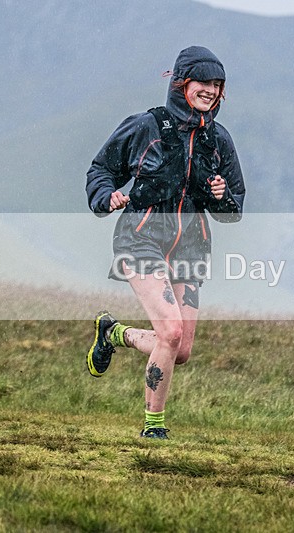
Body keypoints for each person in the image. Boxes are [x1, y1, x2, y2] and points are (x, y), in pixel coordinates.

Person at [85, 46, 245, 439]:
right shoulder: (147, 126)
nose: (210, 90)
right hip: (141, 237)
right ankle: (153, 428)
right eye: (202, 82)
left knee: (181, 348)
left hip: (191, 246)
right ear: (181, 83)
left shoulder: (219, 141)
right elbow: (101, 168)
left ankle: (114, 333)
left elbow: (233, 208)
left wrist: (221, 194)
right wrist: (107, 197)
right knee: (170, 332)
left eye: (216, 85)